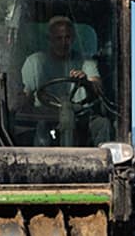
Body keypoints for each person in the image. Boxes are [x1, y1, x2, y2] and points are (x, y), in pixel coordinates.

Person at [18, 15, 112, 147]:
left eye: (67, 38)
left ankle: (102, 161)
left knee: (102, 124)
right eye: (58, 38)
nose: (63, 43)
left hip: (80, 119)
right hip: (46, 119)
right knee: (39, 130)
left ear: (72, 39)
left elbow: (97, 87)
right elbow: (25, 96)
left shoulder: (86, 62)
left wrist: (86, 83)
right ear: (50, 40)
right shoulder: (34, 62)